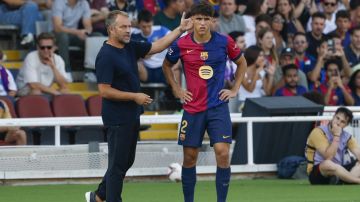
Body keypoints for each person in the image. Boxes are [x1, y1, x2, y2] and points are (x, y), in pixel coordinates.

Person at [84, 10, 192, 202]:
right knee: (117, 166)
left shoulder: (129, 47)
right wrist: (134, 96)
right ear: (111, 29)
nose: (128, 30)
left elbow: (157, 46)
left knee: (126, 161)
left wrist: (180, 29)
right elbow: (104, 91)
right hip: (117, 118)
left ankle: (99, 196)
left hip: (132, 115)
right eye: (123, 27)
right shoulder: (106, 55)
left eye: (129, 26)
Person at [162, 3, 247, 201]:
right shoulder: (181, 44)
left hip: (218, 107)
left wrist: (234, 88)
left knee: (222, 152)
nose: (202, 23)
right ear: (191, 20)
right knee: (190, 158)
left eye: (206, 19)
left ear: (212, 21)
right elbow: (166, 65)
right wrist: (176, 89)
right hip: (193, 109)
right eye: (198, 19)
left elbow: (242, 62)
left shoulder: (224, 42)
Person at [305, 107, 360, 185]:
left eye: (342, 122)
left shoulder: (347, 136)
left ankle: (344, 179)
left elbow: (358, 153)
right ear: (333, 116)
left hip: (339, 169)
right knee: (328, 163)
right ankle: (354, 180)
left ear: (346, 125)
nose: (338, 123)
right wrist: (336, 135)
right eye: (337, 118)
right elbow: (328, 157)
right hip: (318, 172)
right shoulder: (318, 132)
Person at [16, 32, 69, 96]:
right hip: (25, 91)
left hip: (45, 89)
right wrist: (55, 92)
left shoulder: (58, 59)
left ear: (54, 48)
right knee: (36, 92)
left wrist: (53, 67)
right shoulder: (31, 57)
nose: (46, 50)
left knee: (65, 91)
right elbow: (33, 85)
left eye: (49, 47)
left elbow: (63, 84)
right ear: (38, 47)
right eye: (42, 47)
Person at [131, 9, 170, 84]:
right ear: (138, 24)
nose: (147, 29)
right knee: (133, 63)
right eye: (144, 26)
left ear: (152, 22)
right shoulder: (135, 35)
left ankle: (175, 94)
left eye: (149, 26)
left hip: (163, 68)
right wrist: (159, 46)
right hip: (146, 71)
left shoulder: (161, 30)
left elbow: (176, 40)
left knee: (175, 63)